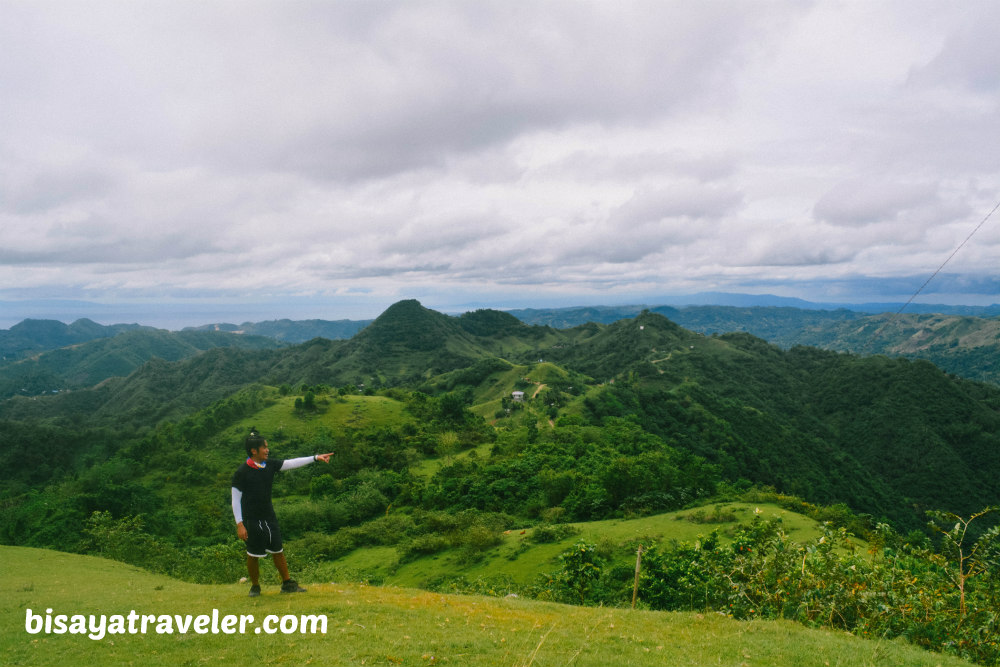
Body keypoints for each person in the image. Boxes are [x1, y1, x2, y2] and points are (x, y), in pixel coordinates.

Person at [231, 427, 335, 597]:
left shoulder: (269, 465)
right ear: (254, 451)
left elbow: (291, 463)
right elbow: (235, 499)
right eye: (264, 447)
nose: (267, 450)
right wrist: (240, 524)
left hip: (269, 516)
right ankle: (255, 587)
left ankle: (287, 584)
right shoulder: (241, 472)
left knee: (278, 550)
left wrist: (316, 458)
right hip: (252, 520)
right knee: (253, 554)